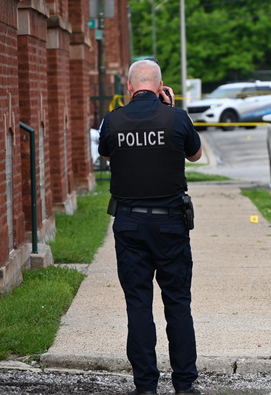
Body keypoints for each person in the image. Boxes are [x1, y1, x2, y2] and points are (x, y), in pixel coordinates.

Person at [98, 59, 202, 395]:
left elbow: (109, 154)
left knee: (138, 305)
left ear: (129, 88)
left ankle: (146, 386)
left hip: (129, 224)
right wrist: (170, 110)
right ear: (160, 88)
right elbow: (195, 154)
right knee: (177, 304)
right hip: (171, 224)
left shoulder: (112, 121)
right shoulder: (176, 117)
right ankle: (185, 385)